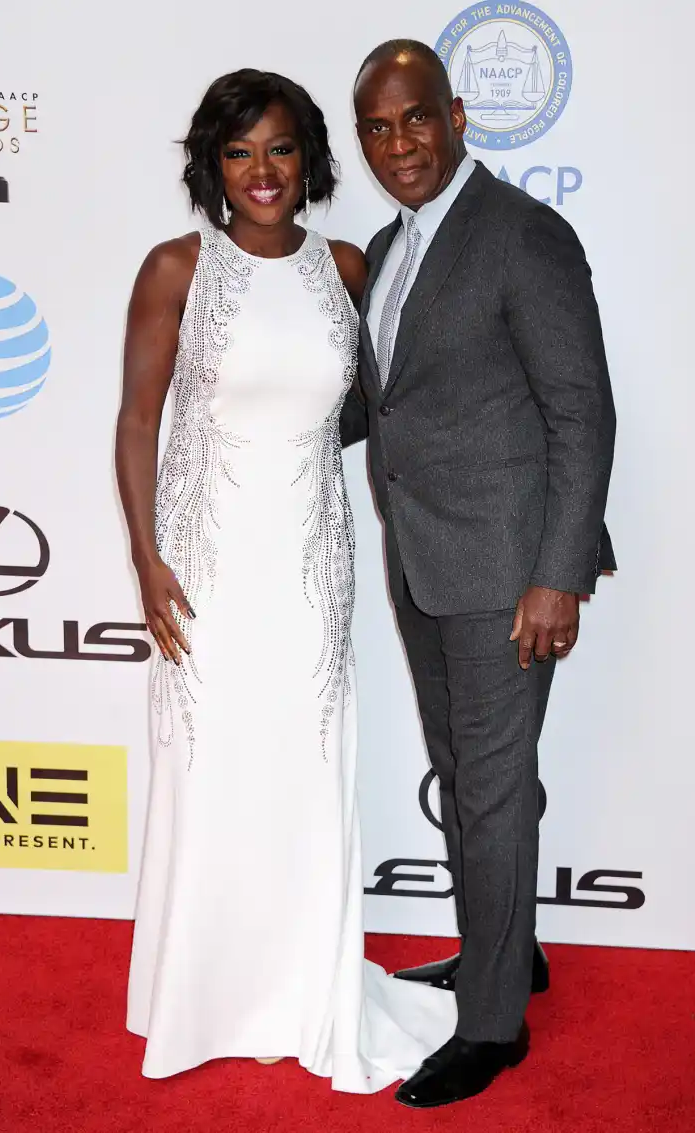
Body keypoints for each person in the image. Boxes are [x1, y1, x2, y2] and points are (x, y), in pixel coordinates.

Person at [116, 68, 455, 1093]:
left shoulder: (345, 266)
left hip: (309, 568)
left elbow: (388, 407)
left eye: (278, 148)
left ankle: (304, 988)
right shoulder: (178, 267)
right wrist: (145, 556)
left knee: (301, 782)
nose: (261, 171)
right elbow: (138, 421)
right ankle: (205, 995)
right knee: (215, 778)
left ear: (307, 158)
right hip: (209, 569)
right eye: (238, 151)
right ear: (211, 165)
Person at [348, 41, 617, 1108]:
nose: (398, 144)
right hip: (423, 560)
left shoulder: (522, 233)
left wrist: (557, 576)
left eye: (414, 119)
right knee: (467, 780)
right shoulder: (387, 243)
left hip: (509, 571)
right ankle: (506, 951)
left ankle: (493, 1023)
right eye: (376, 128)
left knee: (492, 791)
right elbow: (389, 403)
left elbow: (580, 411)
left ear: (455, 116)